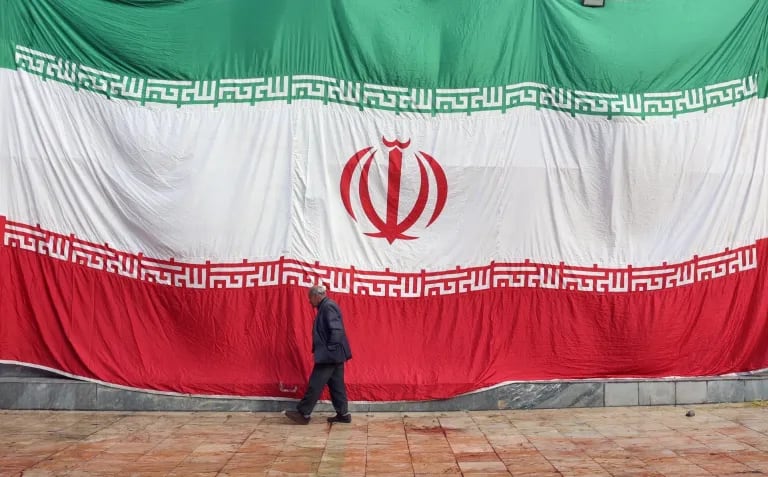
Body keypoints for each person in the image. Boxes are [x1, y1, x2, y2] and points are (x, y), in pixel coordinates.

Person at [285, 285, 352, 425]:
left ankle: (304, 413)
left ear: (317, 296)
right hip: (335, 354)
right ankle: (343, 414)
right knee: (336, 385)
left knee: (315, 383)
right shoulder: (326, 306)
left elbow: (337, 330)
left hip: (330, 355)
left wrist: (330, 349)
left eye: (310, 298)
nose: (309, 301)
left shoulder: (328, 307)